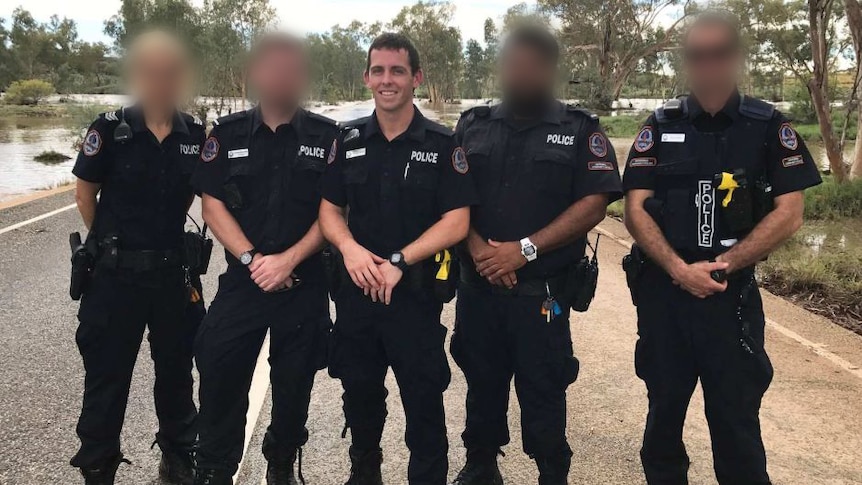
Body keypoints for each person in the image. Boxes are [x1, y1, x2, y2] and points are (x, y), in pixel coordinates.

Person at [622, 11, 822, 485]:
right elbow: (634, 210)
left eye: (718, 54)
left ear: (735, 59)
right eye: (697, 56)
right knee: (662, 423)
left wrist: (722, 266)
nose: (707, 65)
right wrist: (677, 268)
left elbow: (790, 213)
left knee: (736, 429)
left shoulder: (768, 126)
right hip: (665, 301)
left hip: (729, 301)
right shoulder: (660, 124)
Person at [450, 25, 622, 485]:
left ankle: (552, 470)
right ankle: (481, 464)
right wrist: (481, 251)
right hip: (478, 289)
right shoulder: (473, 125)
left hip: (543, 296)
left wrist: (523, 251)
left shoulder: (579, 129)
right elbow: (451, 198)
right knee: (482, 383)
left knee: (544, 386)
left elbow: (595, 201)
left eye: (532, 64)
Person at [319, 33, 478, 485]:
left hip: (415, 298)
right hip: (357, 298)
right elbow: (329, 211)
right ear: (367, 77)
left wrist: (399, 260)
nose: (386, 80)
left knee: (424, 407)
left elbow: (457, 220)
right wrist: (349, 250)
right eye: (379, 71)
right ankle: (363, 474)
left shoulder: (443, 143)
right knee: (361, 401)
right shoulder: (346, 140)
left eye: (397, 71)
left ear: (416, 79)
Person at [191, 33, 338, 485]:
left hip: (304, 283)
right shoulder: (227, 133)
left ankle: (281, 462)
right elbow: (211, 205)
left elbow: (333, 211)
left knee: (295, 384)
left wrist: (287, 261)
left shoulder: (327, 137)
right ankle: (214, 468)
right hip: (244, 282)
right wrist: (255, 260)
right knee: (220, 373)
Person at [70, 31, 205, 485]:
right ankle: (98, 467)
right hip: (114, 278)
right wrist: (109, 243)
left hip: (172, 278)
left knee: (176, 377)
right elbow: (85, 192)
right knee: (107, 383)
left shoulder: (196, 135)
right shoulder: (109, 128)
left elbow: (210, 195)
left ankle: (177, 462)